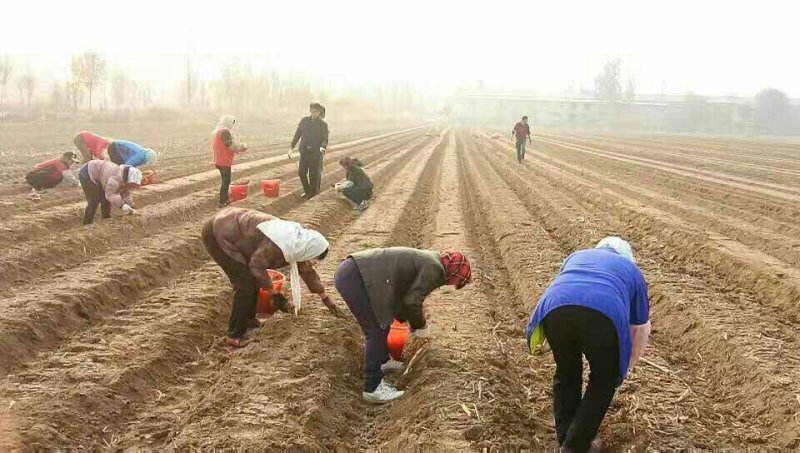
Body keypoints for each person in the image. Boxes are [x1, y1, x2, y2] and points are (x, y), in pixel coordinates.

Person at [525, 237, 651, 453]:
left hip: (555, 308)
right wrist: (624, 367)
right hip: (604, 313)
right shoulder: (632, 270)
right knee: (603, 380)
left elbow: (568, 286)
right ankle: (574, 446)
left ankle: (566, 439)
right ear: (627, 257)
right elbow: (640, 328)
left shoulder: (577, 256)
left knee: (567, 372)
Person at [334, 247, 472, 403]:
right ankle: (372, 387)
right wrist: (420, 326)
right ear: (454, 272)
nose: (450, 284)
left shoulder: (431, 261)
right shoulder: (435, 269)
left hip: (354, 271)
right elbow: (412, 302)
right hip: (356, 276)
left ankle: (383, 362)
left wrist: (407, 320)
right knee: (376, 329)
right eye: (456, 281)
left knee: (382, 323)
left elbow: (404, 295)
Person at [201, 208, 339, 347]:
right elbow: (256, 265)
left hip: (233, 228)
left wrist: (325, 298)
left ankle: (249, 319)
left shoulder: (298, 245)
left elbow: (307, 271)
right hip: (218, 233)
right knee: (244, 285)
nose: (311, 260)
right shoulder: (279, 244)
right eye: (313, 257)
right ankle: (234, 336)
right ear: (310, 250)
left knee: (253, 280)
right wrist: (275, 294)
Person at [78, 160, 142, 225]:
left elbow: (125, 193)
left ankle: (105, 219)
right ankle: (87, 224)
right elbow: (110, 194)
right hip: (87, 172)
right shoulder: (115, 179)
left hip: (100, 174)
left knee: (105, 198)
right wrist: (122, 205)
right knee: (94, 200)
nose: (131, 186)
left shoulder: (125, 178)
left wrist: (131, 205)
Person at [289, 103, 329, 199]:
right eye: (312, 111)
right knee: (301, 172)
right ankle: (307, 190)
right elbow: (297, 134)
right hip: (304, 151)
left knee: (313, 174)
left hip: (316, 152)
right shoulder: (304, 121)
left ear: (319, 112)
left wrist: (322, 147)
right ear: (310, 111)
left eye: (316, 112)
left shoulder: (323, 125)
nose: (314, 113)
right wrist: (291, 147)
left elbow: (325, 138)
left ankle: (312, 194)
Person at [212, 115, 248, 208]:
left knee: (226, 181)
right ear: (228, 122)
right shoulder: (224, 132)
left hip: (220, 160)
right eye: (232, 123)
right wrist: (241, 148)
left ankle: (226, 199)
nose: (232, 125)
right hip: (223, 161)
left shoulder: (219, 131)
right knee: (226, 181)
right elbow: (230, 145)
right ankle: (222, 202)